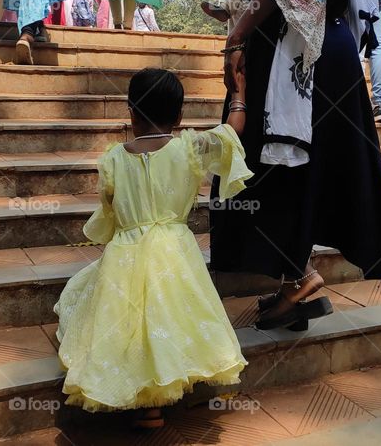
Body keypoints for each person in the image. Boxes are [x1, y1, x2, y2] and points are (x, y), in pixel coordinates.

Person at [210, 0, 381, 330]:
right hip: (331, 47)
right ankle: (293, 286)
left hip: (289, 51)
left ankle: (302, 278)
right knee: (303, 167)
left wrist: (237, 33)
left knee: (268, 168)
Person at [54, 68, 251, 428]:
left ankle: (145, 403)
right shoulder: (191, 147)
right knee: (171, 313)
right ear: (179, 116)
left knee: (128, 320)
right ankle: (169, 389)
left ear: (130, 111)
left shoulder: (113, 158)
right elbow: (232, 130)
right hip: (176, 250)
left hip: (125, 251)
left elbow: (110, 210)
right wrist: (238, 91)